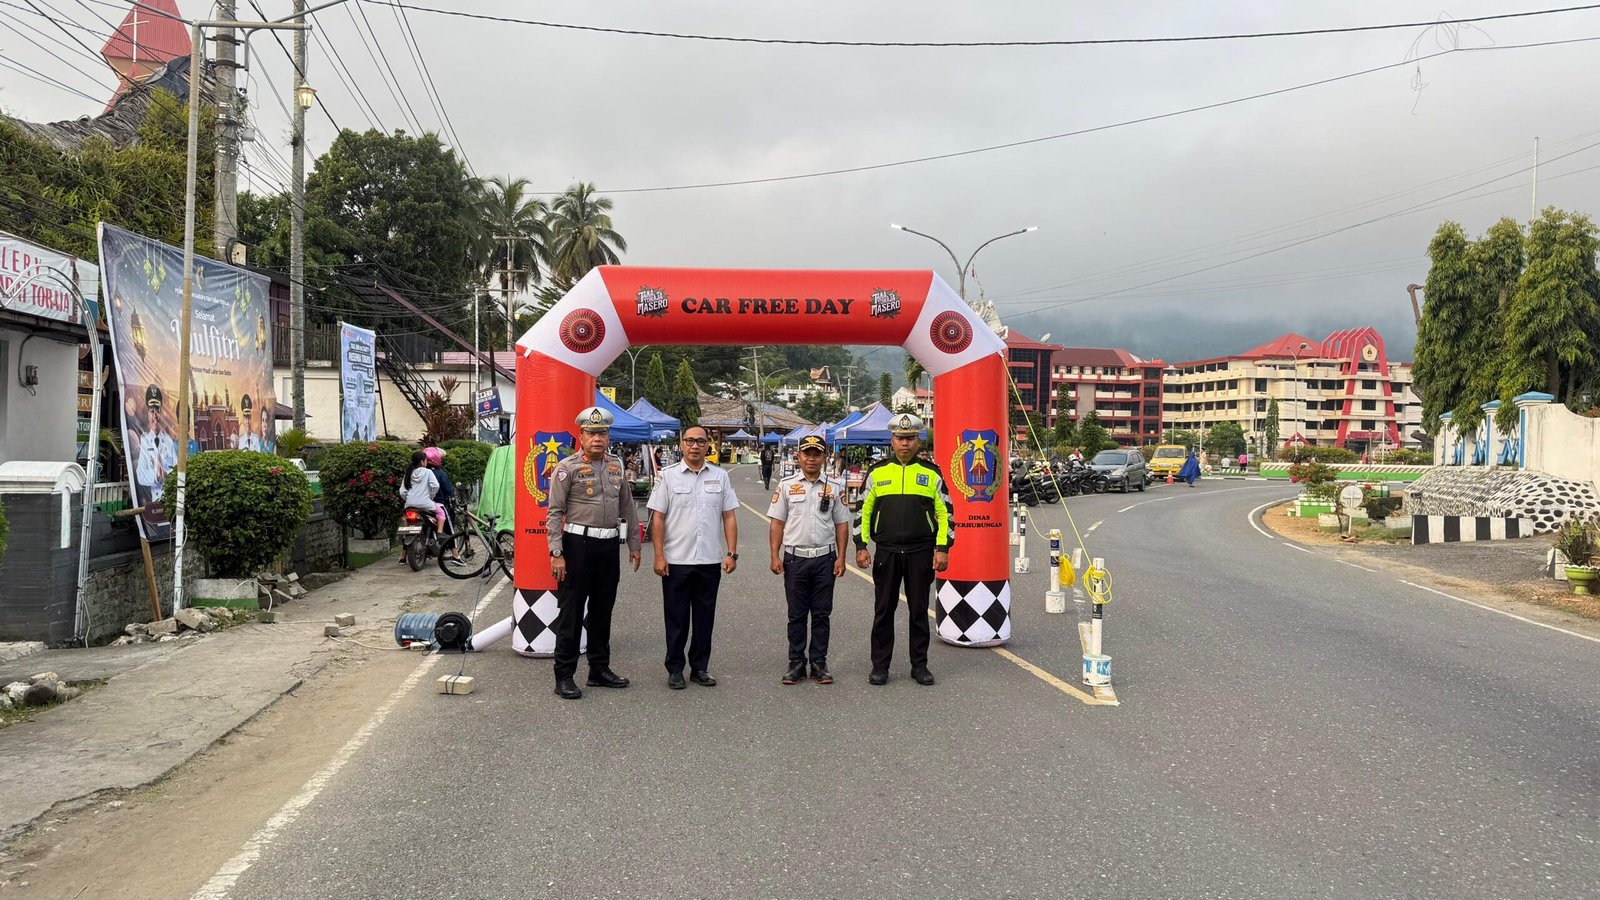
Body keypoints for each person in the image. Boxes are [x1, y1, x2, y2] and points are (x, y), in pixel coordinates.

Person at [546, 407, 643, 701]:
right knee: (571, 614)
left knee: (603, 611)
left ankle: (599, 670)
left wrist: (635, 545)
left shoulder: (615, 466)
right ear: (581, 436)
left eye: (602, 433)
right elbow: (554, 513)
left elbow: (627, 507)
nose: (597, 438)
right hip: (577, 547)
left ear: (608, 436)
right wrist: (556, 552)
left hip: (608, 547)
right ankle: (564, 676)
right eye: (591, 433)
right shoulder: (567, 468)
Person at [852, 413, 951, 687]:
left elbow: (945, 514)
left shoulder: (931, 473)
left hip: (921, 552)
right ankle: (880, 667)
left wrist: (942, 548)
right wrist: (861, 545)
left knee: (919, 611)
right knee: (883, 610)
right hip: (887, 552)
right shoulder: (877, 472)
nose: (904, 443)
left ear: (918, 441)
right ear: (891, 440)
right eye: (899, 438)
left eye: (910, 438)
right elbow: (863, 511)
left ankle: (919, 666)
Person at [648, 424, 739, 690]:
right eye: (690, 441)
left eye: (700, 441)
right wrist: (658, 555)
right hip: (676, 562)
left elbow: (729, 516)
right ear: (682, 444)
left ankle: (700, 668)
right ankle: (675, 669)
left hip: (709, 561)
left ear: (708, 444)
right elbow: (658, 519)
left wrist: (732, 553)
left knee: (704, 618)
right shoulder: (668, 476)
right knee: (676, 619)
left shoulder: (720, 477)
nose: (695, 446)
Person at [767, 434, 851, 685]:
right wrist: (774, 555)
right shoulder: (786, 485)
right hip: (795, 559)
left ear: (825, 457)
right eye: (807, 453)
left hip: (825, 558)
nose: (811, 458)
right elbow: (777, 523)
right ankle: (796, 662)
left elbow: (842, 524)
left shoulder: (835, 487)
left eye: (817, 453)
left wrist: (842, 557)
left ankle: (818, 662)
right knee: (796, 614)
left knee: (822, 614)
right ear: (799, 456)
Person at [135, 384, 178, 504]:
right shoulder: (144, 441)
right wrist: (156, 475)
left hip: (171, 499)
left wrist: (166, 474)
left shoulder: (168, 441)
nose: (155, 416)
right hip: (156, 501)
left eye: (157, 411)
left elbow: (177, 468)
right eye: (151, 411)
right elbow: (140, 476)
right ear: (148, 414)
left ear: (162, 413)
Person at [399, 450, 445, 527]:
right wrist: (431, 496)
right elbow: (436, 486)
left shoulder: (408, 474)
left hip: (410, 505)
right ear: (422, 462)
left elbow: (402, 492)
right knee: (441, 513)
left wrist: (409, 499)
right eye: (426, 460)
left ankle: (405, 534)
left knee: (405, 517)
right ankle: (440, 533)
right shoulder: (428, 472)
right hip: (425, 504)